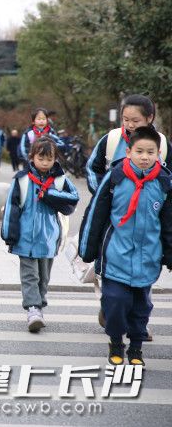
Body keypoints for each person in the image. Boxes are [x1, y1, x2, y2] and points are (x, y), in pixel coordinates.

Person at [79, 126, 172, 366]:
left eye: (150, 152)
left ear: (158, 154)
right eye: (139, 151)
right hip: (116, 254)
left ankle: (136, 348)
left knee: (141, 307)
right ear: (129, 151)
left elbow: (169, 222)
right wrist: (87, 248)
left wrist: (169, 253)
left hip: (148, 256)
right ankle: (116, 342)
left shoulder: (164, 182)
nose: (144, 156)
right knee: (115, 301)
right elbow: (96, 212)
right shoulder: (116, 176)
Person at [1, 137, 79, 332]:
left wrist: (50, 194)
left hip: (49, 238)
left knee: (43, 277)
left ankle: (39, 304)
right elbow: (11, 207)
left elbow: (74, 198)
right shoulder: (22, 179)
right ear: (32, 157)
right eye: (41, 158)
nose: (45, 163)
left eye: (49, 159)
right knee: (30, 276)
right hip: (24, 238)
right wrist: (9, 234)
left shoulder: (60, 180)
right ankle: (33, 308)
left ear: (55, 159)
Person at [85, 94, 170, 195]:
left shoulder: (163, 143)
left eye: (135, 121)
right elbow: (93, 169)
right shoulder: (111, 139)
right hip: (114, 207)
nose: (130, 125)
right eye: (126, 119)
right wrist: (102, 195)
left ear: (149, 118)